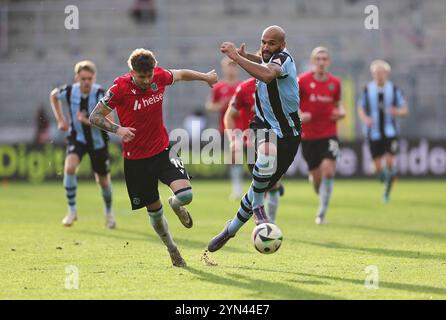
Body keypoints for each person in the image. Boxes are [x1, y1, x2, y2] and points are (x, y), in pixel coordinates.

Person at [89, 48, 218, 267]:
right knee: (155, 214)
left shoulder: (159, 76)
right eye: (142, 76)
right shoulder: (119, 88)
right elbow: (95, 116)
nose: (147, 80)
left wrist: (205, 77)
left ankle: (176, 205)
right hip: (137, 160)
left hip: (162, 150)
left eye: (149, 75)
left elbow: (181, 74)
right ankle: (172, 249)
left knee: (186, 195)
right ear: (132, 72)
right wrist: (118, 130)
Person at [208, 25, 301, 252]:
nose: (266, 47)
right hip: (262, 126)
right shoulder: (267, 58)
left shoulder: (283, 60)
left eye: (271, 43)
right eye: (263, 42)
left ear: (282, 46)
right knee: (265, 157)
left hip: (289, 134)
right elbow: (261, 60)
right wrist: (243, 55)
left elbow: (268, 74)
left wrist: (236, 58)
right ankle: (260, 212)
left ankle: (230, 229)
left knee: (259, 186)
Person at [50, 60, 116, 229]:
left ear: (94, 78)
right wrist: (61, 120)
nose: (86, 82)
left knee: (103, 181)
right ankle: (71, 211)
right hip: (77, 138)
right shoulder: (70, 91)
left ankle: (109, 213)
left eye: (89, 79)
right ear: (77, 78)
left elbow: (111, 122)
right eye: (83, 79)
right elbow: (53, 96)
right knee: (70, 167)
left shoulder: (101, 93)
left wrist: (87, 121)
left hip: (98, 141)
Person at [224, 77, 284, 223]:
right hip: (251, 143)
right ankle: (264, 221)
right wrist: (233, 140)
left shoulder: (281, 86)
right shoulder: (244, 88)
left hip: (277, 140)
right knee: (261, 185)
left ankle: (270, 223)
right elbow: (229, 116)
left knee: (271, 183)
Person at [298, 47, 345, 225]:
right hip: (308, 136)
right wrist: (300, 115)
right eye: (318, 59)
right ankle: (318, 187)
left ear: (329, 62)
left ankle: (321, 213)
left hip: (329, 134)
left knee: (328, 171)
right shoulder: (302, 81)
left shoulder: (335, 83)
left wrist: (341, 112)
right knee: (317, 178)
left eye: (324, 59)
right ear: (312, 61)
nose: (321, 62)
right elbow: (292, 104)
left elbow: (338, 104)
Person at [357, 60, 408, 203]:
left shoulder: (395, 89)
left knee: (390, 161)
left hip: (390, 132)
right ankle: (387, 178)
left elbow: (405, 110)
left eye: (382, 72)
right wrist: (365, 118)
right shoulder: (367, 89)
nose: (379, 75)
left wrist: (397, 111)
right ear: (373, 74)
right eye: (376, 72)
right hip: (373, 132)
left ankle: (387, 191)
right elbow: (360, 108)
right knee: (378, 168)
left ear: (387, 73)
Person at [206, 57, 243, 199]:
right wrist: (220, 105)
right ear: (224, 68)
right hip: (227, 128)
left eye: (234, 66)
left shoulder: (242, 86)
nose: (231, 68)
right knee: (234, 158)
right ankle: (237, 187)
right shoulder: (219, 87)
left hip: (245, 127)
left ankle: (243, 187)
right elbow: (210, 105)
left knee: (247, 158)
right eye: (229, 66)